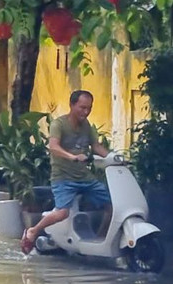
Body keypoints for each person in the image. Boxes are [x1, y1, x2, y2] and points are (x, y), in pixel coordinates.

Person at [22, 90, 111, 254]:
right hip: (63, 178)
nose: (86, 112)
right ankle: (33, 231)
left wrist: (115, 157)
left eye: (89, 108)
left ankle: (100, 241)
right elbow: (53, 146)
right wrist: (72, 156)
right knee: (62, 212)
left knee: (112, 205)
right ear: (72, 105)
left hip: (85, 177)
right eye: (82, 108)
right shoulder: (59, 124)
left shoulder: (87, 126)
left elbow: (96, 146)